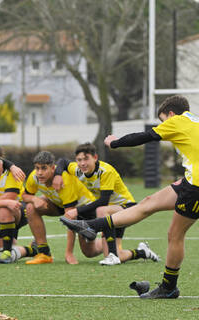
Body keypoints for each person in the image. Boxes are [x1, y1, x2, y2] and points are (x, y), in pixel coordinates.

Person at [60, 95, 197, 299]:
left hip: (196, 186)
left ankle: (169, 287)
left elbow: (144, 137)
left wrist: (115, 143)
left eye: (163, 120)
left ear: (170, 113)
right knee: (148, 203)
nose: (163, 126)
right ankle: (91, 226)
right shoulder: (194, 120)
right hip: (191, 181)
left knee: (175, 234)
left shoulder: (177, 120)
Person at [53, 142, 159, 265]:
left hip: (127, 208)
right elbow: (63, 162)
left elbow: (103, 201)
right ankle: (142, 252)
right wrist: (57, 175)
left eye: (86, 159)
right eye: (79, 160)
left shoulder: (105, 171)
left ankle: (111, 254)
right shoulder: (78, 170)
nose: (82, 163)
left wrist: (76, 211)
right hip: (109, 213)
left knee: (101, 210)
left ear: (95, 158)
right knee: (89, 252)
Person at [23, 150, 107, 265]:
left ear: (53, 168)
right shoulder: (34, 177)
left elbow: (70, 216)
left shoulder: (64, 180)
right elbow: (25, 196)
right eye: (37, 168)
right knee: (30, 207)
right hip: (60, 204)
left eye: (44, 168)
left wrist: (69, 253)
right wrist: (34, 199)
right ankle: (44, 253)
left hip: (85, 209)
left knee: (89, 252)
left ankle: (110, 242)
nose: (39, 172)